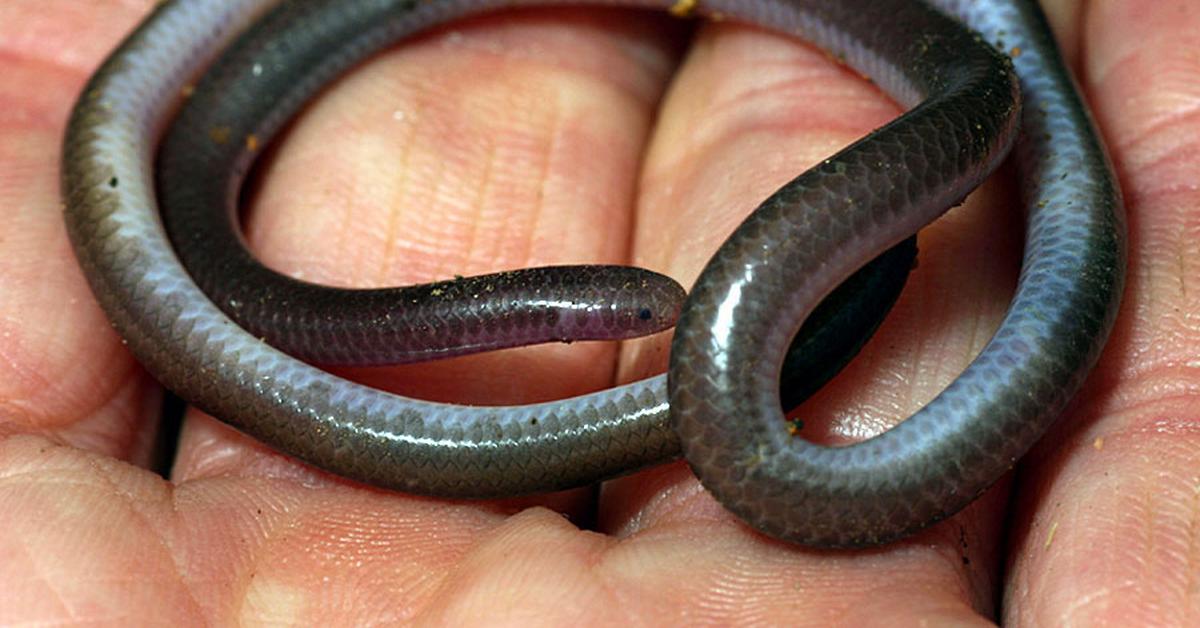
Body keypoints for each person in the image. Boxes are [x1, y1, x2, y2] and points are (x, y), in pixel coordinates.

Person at [1, 1, 1194, 623]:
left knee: (990, 92)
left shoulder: (977, 87)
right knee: (205, 263)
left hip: (962, 93)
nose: (655, 321)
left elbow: (981, 93)